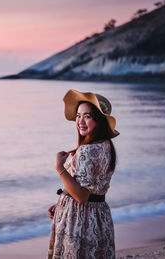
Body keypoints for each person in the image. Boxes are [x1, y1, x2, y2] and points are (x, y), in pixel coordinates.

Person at [47, 89, 119, 259]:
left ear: (99, 120)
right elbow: (90, 187)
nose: (80, 121)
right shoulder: (106, 145)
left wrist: (60, 168)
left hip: (80, 221)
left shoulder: (87, 150)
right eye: (78, 116)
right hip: (99, 217)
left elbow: (81, 196)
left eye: (87, 116)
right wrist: (63, 200)